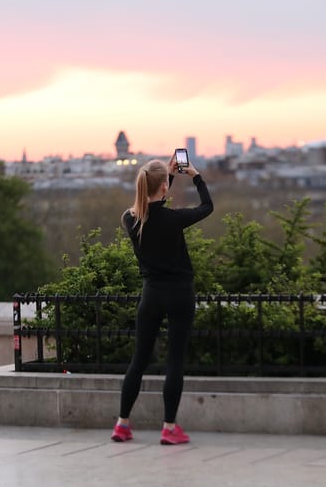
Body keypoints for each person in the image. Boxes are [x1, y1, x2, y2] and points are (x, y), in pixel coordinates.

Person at [111, 154, 214, 445]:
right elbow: (207, 206)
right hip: (179, 294)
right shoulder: (174, 219)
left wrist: (164, 179)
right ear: (164, 189)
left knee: (139, 361)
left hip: (151, 295)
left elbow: (150, 206)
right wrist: (195, 176)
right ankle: (169, 427)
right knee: (174, 362)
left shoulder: (129, 220)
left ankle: (122, 424)